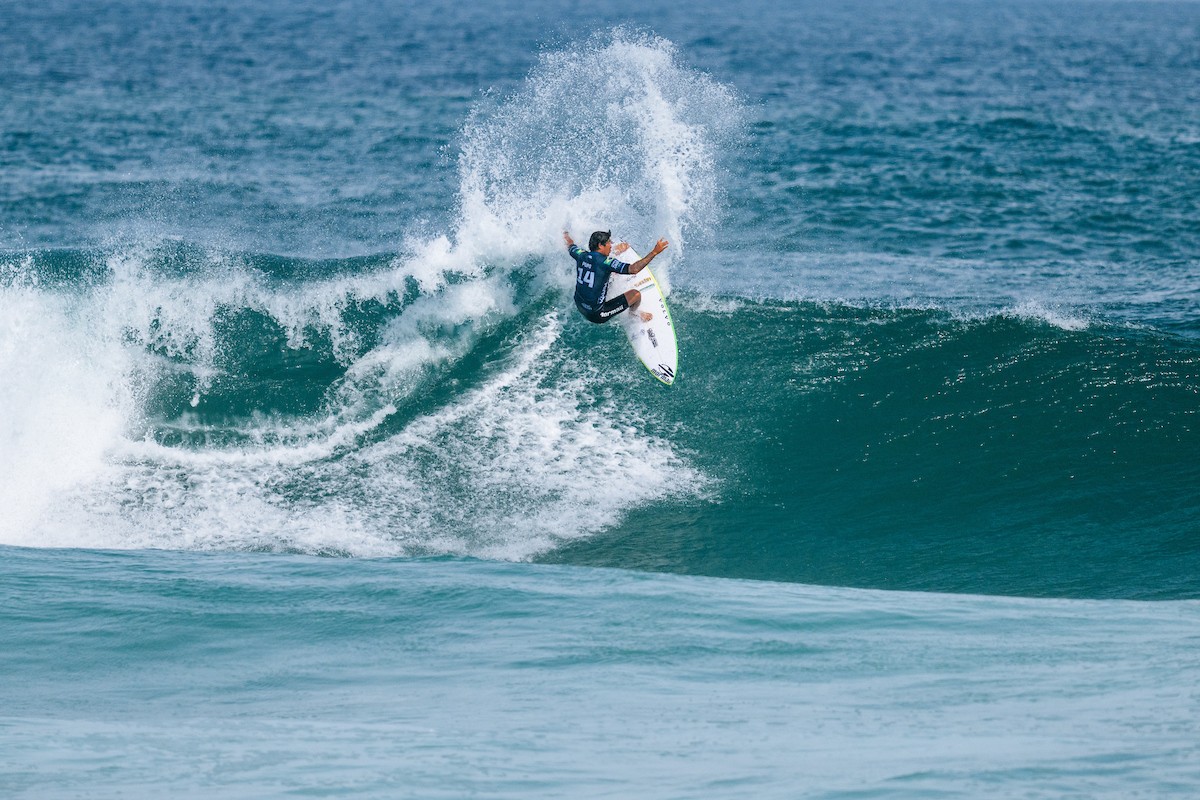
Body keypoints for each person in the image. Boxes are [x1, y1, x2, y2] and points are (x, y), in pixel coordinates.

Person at [563, 229, 669, 324]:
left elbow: (570, 245)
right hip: (597, 314)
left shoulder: (581, 255)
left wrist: (565, 234)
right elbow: (634, 269)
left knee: (608, 273)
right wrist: (654, 252)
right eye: (609, 242)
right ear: (600, 245)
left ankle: (614, 268)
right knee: (636, 295)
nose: (611, 245)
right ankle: (633, 313)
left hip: (579, 304)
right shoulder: (606, 262)